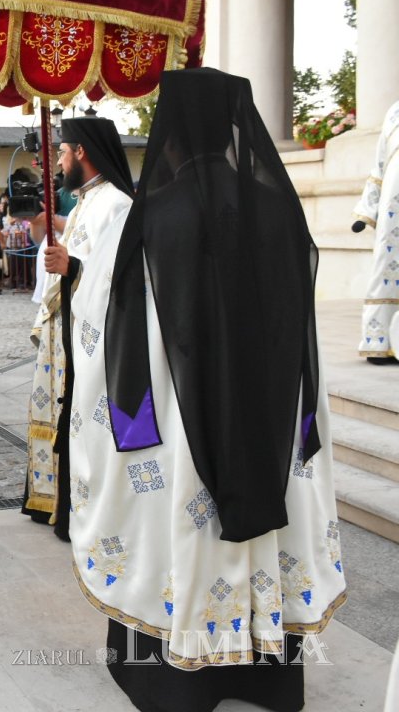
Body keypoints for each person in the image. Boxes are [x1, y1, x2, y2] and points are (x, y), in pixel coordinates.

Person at [71, 67, 344, 712]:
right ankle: (264, 671)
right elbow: (297, 321)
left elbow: (108, 326)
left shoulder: (154, 216)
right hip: (266, 410)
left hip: (180, 415)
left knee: (181, 528)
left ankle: (178, 676)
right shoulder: (277, 205)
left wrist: (124, 422)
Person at [22, 117, 134, 541]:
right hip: (62, 323)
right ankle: (51, 499)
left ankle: (75, 508)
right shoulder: (87, 198)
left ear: (81, 152)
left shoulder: (117, 202)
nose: (60, 161)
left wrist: (72, 267)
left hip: (87, 331)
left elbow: (118, 274)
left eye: (64, 152)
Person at [351, 99, 399, 365]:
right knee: (385, 272)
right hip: (393, 217)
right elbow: (379, 168)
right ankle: (379, 342)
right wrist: (366, 211)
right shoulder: (393, 112)